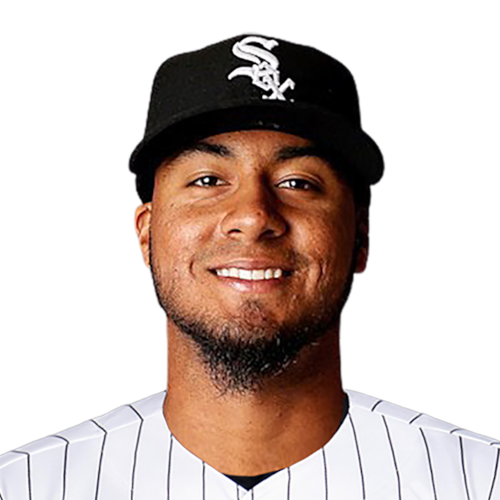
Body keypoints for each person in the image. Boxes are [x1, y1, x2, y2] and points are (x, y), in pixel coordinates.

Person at [1, 32, 498, 500]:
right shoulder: (25, 485)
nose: (254, 216)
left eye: (298, 182)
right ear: (146, 234)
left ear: (362, 237)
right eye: (207, 180)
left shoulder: (482, 480)